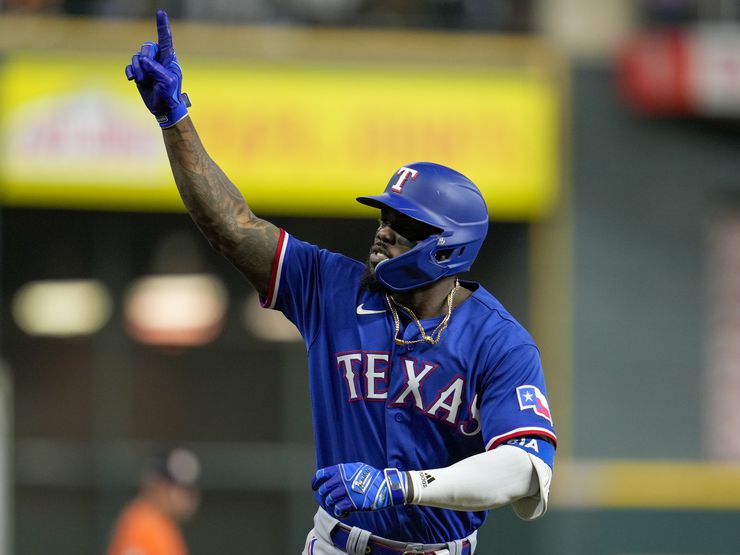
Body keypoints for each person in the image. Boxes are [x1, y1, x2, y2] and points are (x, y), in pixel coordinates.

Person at [126, 11, 556, 555]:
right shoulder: (333, 288)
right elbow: (232, 227)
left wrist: (405, 487)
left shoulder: (499, 342)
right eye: (384, 219)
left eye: (404, 229)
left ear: (449, 247)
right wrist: (175, 120)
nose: (383, 234)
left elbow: (526, 470)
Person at [106, 446, 201, 555]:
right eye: (172, 487)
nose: (184, 496)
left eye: (187, 489)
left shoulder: (162, 524)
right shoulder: (143, 524)